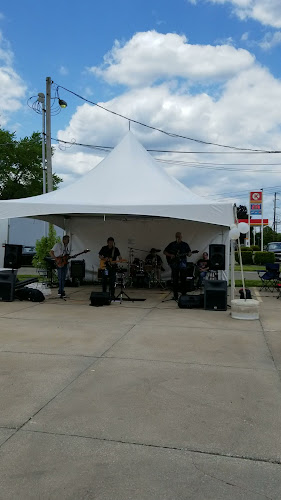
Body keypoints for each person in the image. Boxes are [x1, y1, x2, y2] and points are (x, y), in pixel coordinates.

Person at [164, 232, 192, 300]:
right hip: (174, 263)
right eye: (177, 236)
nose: (178, 237)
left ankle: (184, 294)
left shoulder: (185, 244)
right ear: (175, 236)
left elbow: (189, 253)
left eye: (179, 236)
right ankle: (175, 295)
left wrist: (189, 254)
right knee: (175, 279)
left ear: (181, 237)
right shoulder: (172, 244)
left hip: (182, 263)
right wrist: (171, 255)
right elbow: (165, 252)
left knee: (183, 279)